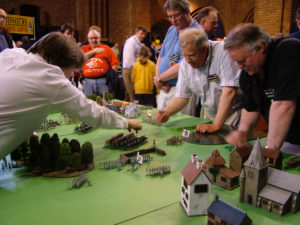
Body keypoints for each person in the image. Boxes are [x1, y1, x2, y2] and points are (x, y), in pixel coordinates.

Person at [0, 32, 142, 159]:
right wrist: (126, 122)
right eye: (72, 70)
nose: (70, 76)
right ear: (62, 63)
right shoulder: (51, 79)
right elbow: (91, 112)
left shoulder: (12, 54)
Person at [224, 23, 300, 153]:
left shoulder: (290, 51)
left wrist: (269, 153)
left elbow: (283, 105)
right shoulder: (248, 73)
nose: (240, 67)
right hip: (290, 140)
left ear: (260, 47)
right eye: (236, 62)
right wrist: (242, 131)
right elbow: (251, 107)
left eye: (242, 60)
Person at [155, 28, 241, 133]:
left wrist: (216, 125)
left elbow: (230, 92)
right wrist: (167, 112)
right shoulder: (185, 64)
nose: (187, 60)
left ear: (204, 49)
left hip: (231, 114)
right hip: (209, 113)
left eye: (191, 55)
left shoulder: (223, 52)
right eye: (185, 55)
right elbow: (181, 97)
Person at [154, 0, 202, 115]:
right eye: (170, 16)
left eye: (176, 15)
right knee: (161, 125)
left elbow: (184, 64)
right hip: (164, 88)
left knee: (179, 129)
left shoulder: (196, 32)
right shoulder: (171, 30)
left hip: (182, 91)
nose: (173, 20)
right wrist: (157, 78)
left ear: (186, 11)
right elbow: (161, 56)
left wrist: (160, 78)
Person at [81, 29, 119, 96]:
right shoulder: (83, 49)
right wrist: (94, 51)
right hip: (87, 82)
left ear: (99, 38)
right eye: (91, 38)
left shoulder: (106, 48)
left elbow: (115, 64)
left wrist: (111, 77)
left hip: (103, 81)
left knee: (106, 103)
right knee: (89, 103)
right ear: (88, 39)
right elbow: (80, 58)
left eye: (96, 38)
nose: (93, 40)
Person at [122, 26, 148, 102]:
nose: (143, 36)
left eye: (144, 34)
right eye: (141, 33)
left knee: (128, 94)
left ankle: (124, 110)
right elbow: (130, 58)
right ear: (136, 33)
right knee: (132, 94)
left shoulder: (137, 42)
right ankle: (134, 111)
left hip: (132, 69)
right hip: (130, 69)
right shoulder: (131, 42)